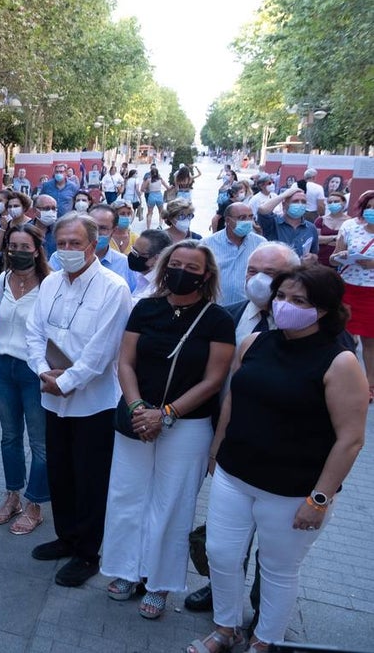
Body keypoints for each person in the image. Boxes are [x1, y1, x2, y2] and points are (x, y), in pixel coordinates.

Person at [190, 265, 368, 653]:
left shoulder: (341, 363)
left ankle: (265, 640)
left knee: (277, 569)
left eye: (299, 301)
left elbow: (350, 439)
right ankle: (226, 627)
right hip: (235, 475)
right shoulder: (254, 342)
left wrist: (318, 499)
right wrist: (217, 450)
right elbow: (234, 398)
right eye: (282, 297)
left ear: (322, 310)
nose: (286, 306)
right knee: (220, 554)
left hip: (293, 491)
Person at [102, 241, 235, 620]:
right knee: (127, 496)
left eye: (191, 267)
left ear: (205, 275)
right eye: (174, 264)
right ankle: (127, 571)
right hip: (136, 417)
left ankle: (159, 582)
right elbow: (124, 362)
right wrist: (138, 407)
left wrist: (168, 413)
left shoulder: (217, 319)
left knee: (172, 503)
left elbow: (213, 380)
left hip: (188, 425)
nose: (181, 271)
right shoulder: (145, 308)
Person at [26, 213, 132, 587]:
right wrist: (42, 371)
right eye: (62, 243)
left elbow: (102, 351)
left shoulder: (114, 287)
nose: (68, 250)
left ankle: (88, 552)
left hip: (94, 403)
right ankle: (66, 536)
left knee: (90, 479)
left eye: (76, 243)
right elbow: (34, 331)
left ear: (93, 244)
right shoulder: (51, 282)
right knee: (61, 472)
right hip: (52, 397)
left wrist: (67, 381)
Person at [0, 224, 51, 534]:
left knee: (39, 442)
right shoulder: (2, 278)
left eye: (25, 247)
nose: (17, 252)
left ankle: (35, 505)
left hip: (33, 371)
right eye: (12, 246)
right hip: (2, 367)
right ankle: (12, 496)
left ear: (37, 250)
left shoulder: (51, 285)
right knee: (9, 436)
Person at [331, 189, 374, 400]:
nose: (372, 211)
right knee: (343, 337)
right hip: (348, 288)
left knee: (370, 342)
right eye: (369, 207)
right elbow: (333, 259)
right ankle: (341, 381)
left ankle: (369, 386)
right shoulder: (349, 227)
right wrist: (343, 256)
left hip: (371, 293)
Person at [199, 203, 265, 306]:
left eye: (250, 217)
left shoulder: (260, 243)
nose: (247, 221)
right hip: (218, 307)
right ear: (228, 220)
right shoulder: (208, 244)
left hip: (248, 308)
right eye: (242, 218)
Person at [257, 185, 319, 261]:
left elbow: (315, 253)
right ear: (284, 205)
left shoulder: (310, 227)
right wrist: (283, 195)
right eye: (295, 201)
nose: (300, 204)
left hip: (300, 271)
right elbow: (262, 210)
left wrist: (312, 257)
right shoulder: (273, 222)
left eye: (303, 202)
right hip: (276, 270)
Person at [128, 229, 173, 299]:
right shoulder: (141, 275)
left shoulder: (158, 287)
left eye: (136, 253)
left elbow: (132, 305)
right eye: (133, 250)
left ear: (158, 258)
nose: (132, 256)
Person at [314, 190, 348, 266]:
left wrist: (325, 240)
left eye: (336, 202)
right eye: (330, 202)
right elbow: (316, 239)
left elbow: (348, 242)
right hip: (321, 261)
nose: (333, 204)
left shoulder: (350, 222)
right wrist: (335, 238)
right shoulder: (320, 220)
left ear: (343, 203)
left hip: (340, 262)